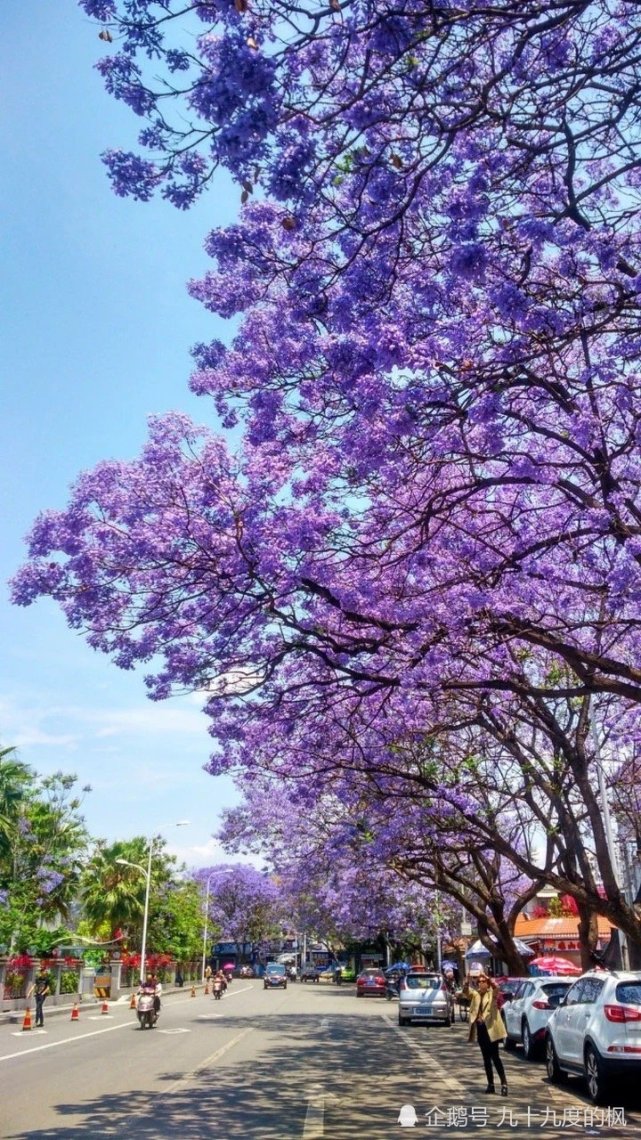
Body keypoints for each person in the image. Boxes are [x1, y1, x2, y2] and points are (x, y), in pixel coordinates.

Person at [468, 973, 508, 1096]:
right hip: (481, 1030)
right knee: (486, 1058)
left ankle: (504, 1084)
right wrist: (467, 982)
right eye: (479, 981)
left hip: (491, 1029)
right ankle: (490, 1084)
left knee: (495, 1057)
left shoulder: (492, 994)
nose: (481, 983)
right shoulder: (476, 994)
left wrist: (488, 978)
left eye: (483, 981)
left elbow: (497, 988)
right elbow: (465, 992)